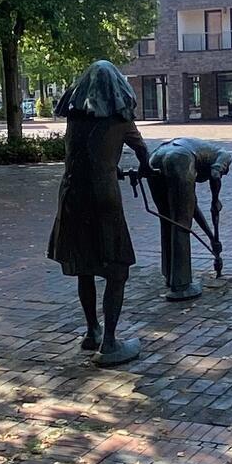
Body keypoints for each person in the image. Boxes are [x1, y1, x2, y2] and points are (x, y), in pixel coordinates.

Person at [47, 61, 152, 365]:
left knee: (84, 264)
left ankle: (92, 330)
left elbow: (85, 155)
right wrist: (144, 169)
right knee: (116, 269)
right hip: (103, 199)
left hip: (71, 196)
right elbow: (143, 153)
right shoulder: (121, 118)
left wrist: (110, 167)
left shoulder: (75, 118)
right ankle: (110, 343)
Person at [144, 137, 232, 300]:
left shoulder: (202, 152)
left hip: (156, 156)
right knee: (181, 224)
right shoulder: (224, 155)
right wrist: (215, 199)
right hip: (179, 157)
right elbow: (215, 174)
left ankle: (170, 275)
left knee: (169, 219)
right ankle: (181, 285)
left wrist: (211, 238)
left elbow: (191, 207)